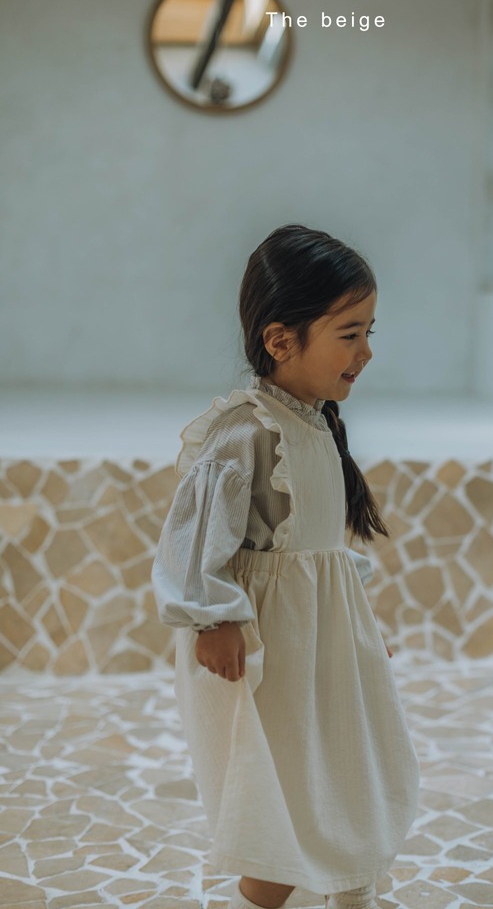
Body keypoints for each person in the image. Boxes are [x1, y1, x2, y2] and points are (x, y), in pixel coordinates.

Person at [152, 225, 420, 909]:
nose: (365, 352)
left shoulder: (317, 423)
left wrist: (358, 624)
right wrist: (213, 618)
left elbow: (321, 553)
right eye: (350, 334)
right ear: (280, 340)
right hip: (273, 650)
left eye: (369, 333)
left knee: (346, 772)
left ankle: (351, 889)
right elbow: (196, 539)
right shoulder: (247, 431)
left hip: (324, 643)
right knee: (285, 797)